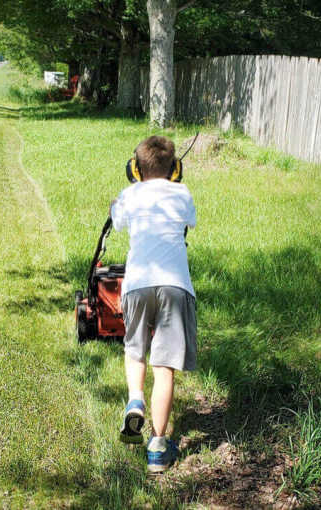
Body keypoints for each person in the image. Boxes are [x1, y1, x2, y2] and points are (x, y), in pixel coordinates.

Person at [110, 135, 197, 474]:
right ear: (174, 168)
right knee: (165, 366)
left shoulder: (130, 195)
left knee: (135, 349)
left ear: (136, 169)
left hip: (137, 284)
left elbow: (117, 222)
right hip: (175, 286)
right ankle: (158, 448)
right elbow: (189, 223)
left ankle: (135, 399)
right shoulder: (183, 193)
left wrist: (116, 206)